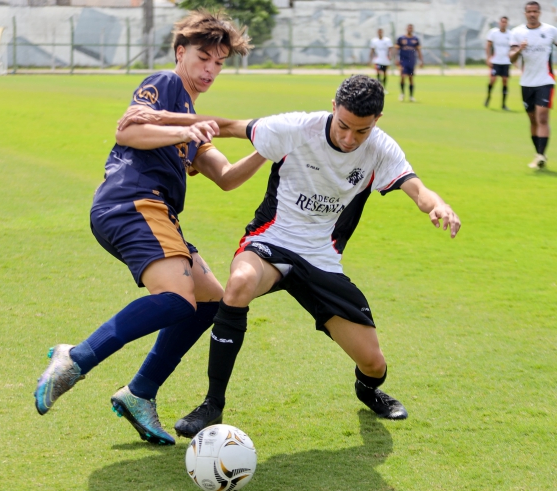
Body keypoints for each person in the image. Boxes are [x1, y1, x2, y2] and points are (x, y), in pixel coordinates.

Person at [139, 75, 461, 438]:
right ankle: (213, 403)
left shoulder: (382, 149)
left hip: (322, 259)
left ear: (377, 121)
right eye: (343, 126)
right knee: (239, 283)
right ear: (333, 107)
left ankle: (368, 390)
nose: (349, 138)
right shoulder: (296, 128)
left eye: (361, 131)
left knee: (373, 363)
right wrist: (156, 117)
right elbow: (227, 126)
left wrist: (439, 205)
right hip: (270, 242)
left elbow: (417, 189)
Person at [33, 10, 264, 447]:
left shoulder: (190, 118)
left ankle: (140, 393)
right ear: (181, 52)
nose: (211, 70)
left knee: (210, 301)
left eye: (219, 63)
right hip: (133, 202)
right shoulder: (168, 83)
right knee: (178, 300)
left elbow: (227, 176)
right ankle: (76, 357)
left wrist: (267, 149)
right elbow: (130, 130)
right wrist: (184, 125)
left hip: (155, 214)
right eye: (203, 58)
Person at [509, 1, 557, 170]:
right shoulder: (517, 32)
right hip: (526, 82)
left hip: (546, 81)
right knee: (532, 119)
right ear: (525, 13)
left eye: (535, 11)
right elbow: (511, 58)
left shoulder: (550, 31)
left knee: (542, 117)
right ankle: (538, 154)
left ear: (539, 13)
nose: (532, 14)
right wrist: (520, 50)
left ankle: (542, 154)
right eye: (529, 11)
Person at [485, 16, 512, 110]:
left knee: (505, 81)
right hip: (496, 61)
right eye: (502, 22)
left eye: (505, 22)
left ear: (507, 24)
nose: (503, 23)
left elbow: (513, 48)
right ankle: (488, 97)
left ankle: (503, 104)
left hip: (506, 62)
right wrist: (488, 58)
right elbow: (488, 46)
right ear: (499, 23)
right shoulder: (493, 32)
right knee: (492, 80)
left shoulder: (510, 34)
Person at [396, 24, 423, 102]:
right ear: (406, 29)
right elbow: (396, 49)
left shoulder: (415, 39)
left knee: (411, 78)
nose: (410, 29)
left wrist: (421, 61)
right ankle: (402, 94)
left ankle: (411, 96)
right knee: (403, 76)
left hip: (411, 61)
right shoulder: (401, 38)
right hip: (403, 61)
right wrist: (395, 59)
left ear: (413, 29)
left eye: (411, 28)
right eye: (408, 28)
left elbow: (419, 51)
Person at [369, 29, 393, 94]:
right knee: (378, 73)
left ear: (382, 32)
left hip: (385, 60)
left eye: (381, 32)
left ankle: (384, 87)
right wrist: (370, 59)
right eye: (378, 32)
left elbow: (390, 49)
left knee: (385, 73)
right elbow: (372, 50)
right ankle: (379, 88)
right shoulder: (374, 41)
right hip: (378, 60)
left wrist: (390, 56)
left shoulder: (387, 40)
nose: (380, 33)